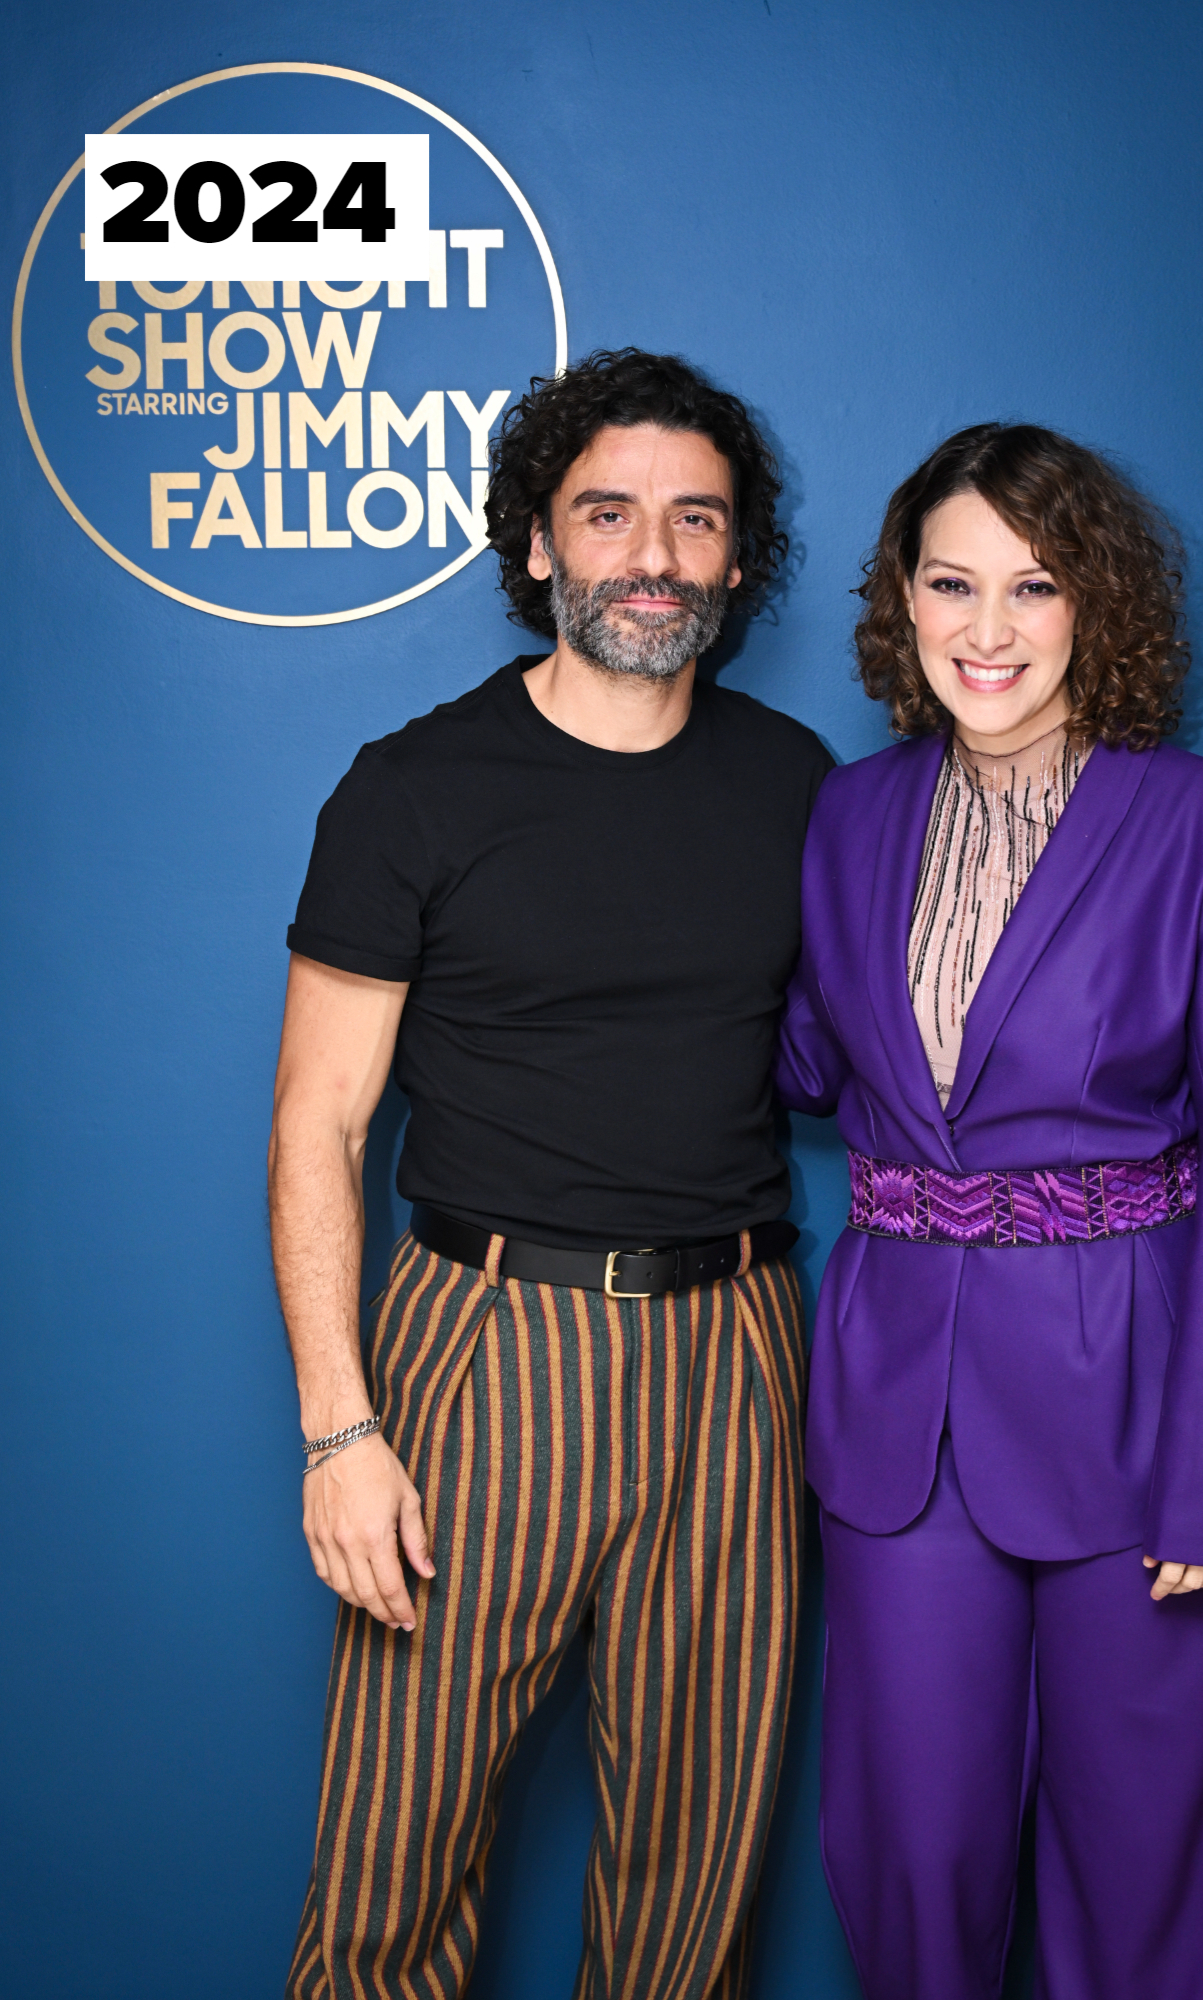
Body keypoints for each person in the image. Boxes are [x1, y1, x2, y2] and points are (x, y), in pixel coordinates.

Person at [270, 347, 832, 2000]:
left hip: (737, 1353)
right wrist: (338, 1429)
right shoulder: (413, 789)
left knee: (696, 1877)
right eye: (607, 515)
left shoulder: (801, 787)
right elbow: (318, 1124)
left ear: (736, 562)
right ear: (537, 546)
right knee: (393, 1868)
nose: (651, 553)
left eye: (693, 521)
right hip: (482, 1349)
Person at [775, 423, 1203, 2000]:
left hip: (1146, 1421)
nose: (988, 630)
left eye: (1034, 586)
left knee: (1143, 1859)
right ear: (902, 601)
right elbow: (810, 1059)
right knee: (907, 1850)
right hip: (899, 1423)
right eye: (951, 585)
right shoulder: (848, 817)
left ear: (1096, 605)